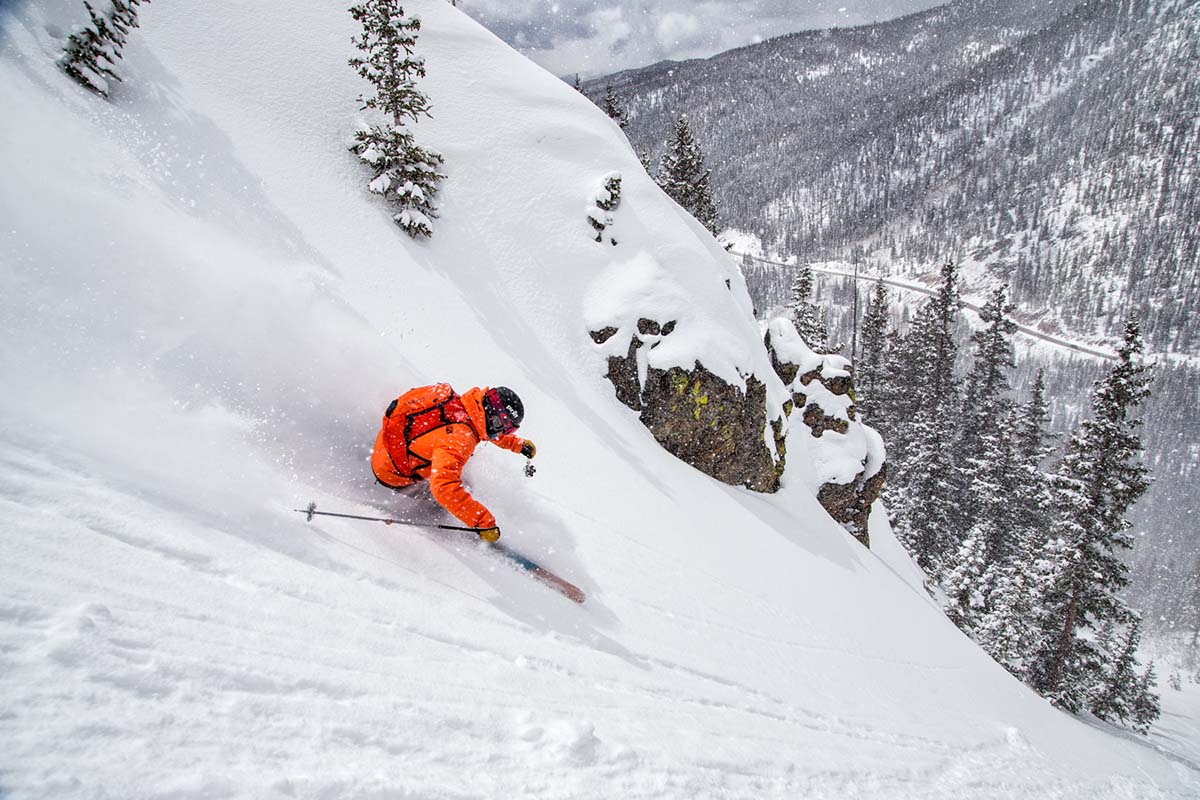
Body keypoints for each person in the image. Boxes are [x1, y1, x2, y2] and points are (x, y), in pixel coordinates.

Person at [371, 384, 535, 542]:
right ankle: (431, 524)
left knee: (458, 474)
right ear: (491, 414)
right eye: (502, 426)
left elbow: (483, 427)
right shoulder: (460, 440)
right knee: (457, 488)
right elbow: (443, 487)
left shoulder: (462, 405)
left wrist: (517, 444)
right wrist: (482, 522)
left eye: (507, 430)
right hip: (392, 473)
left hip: (387, 445)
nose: (500, 433)